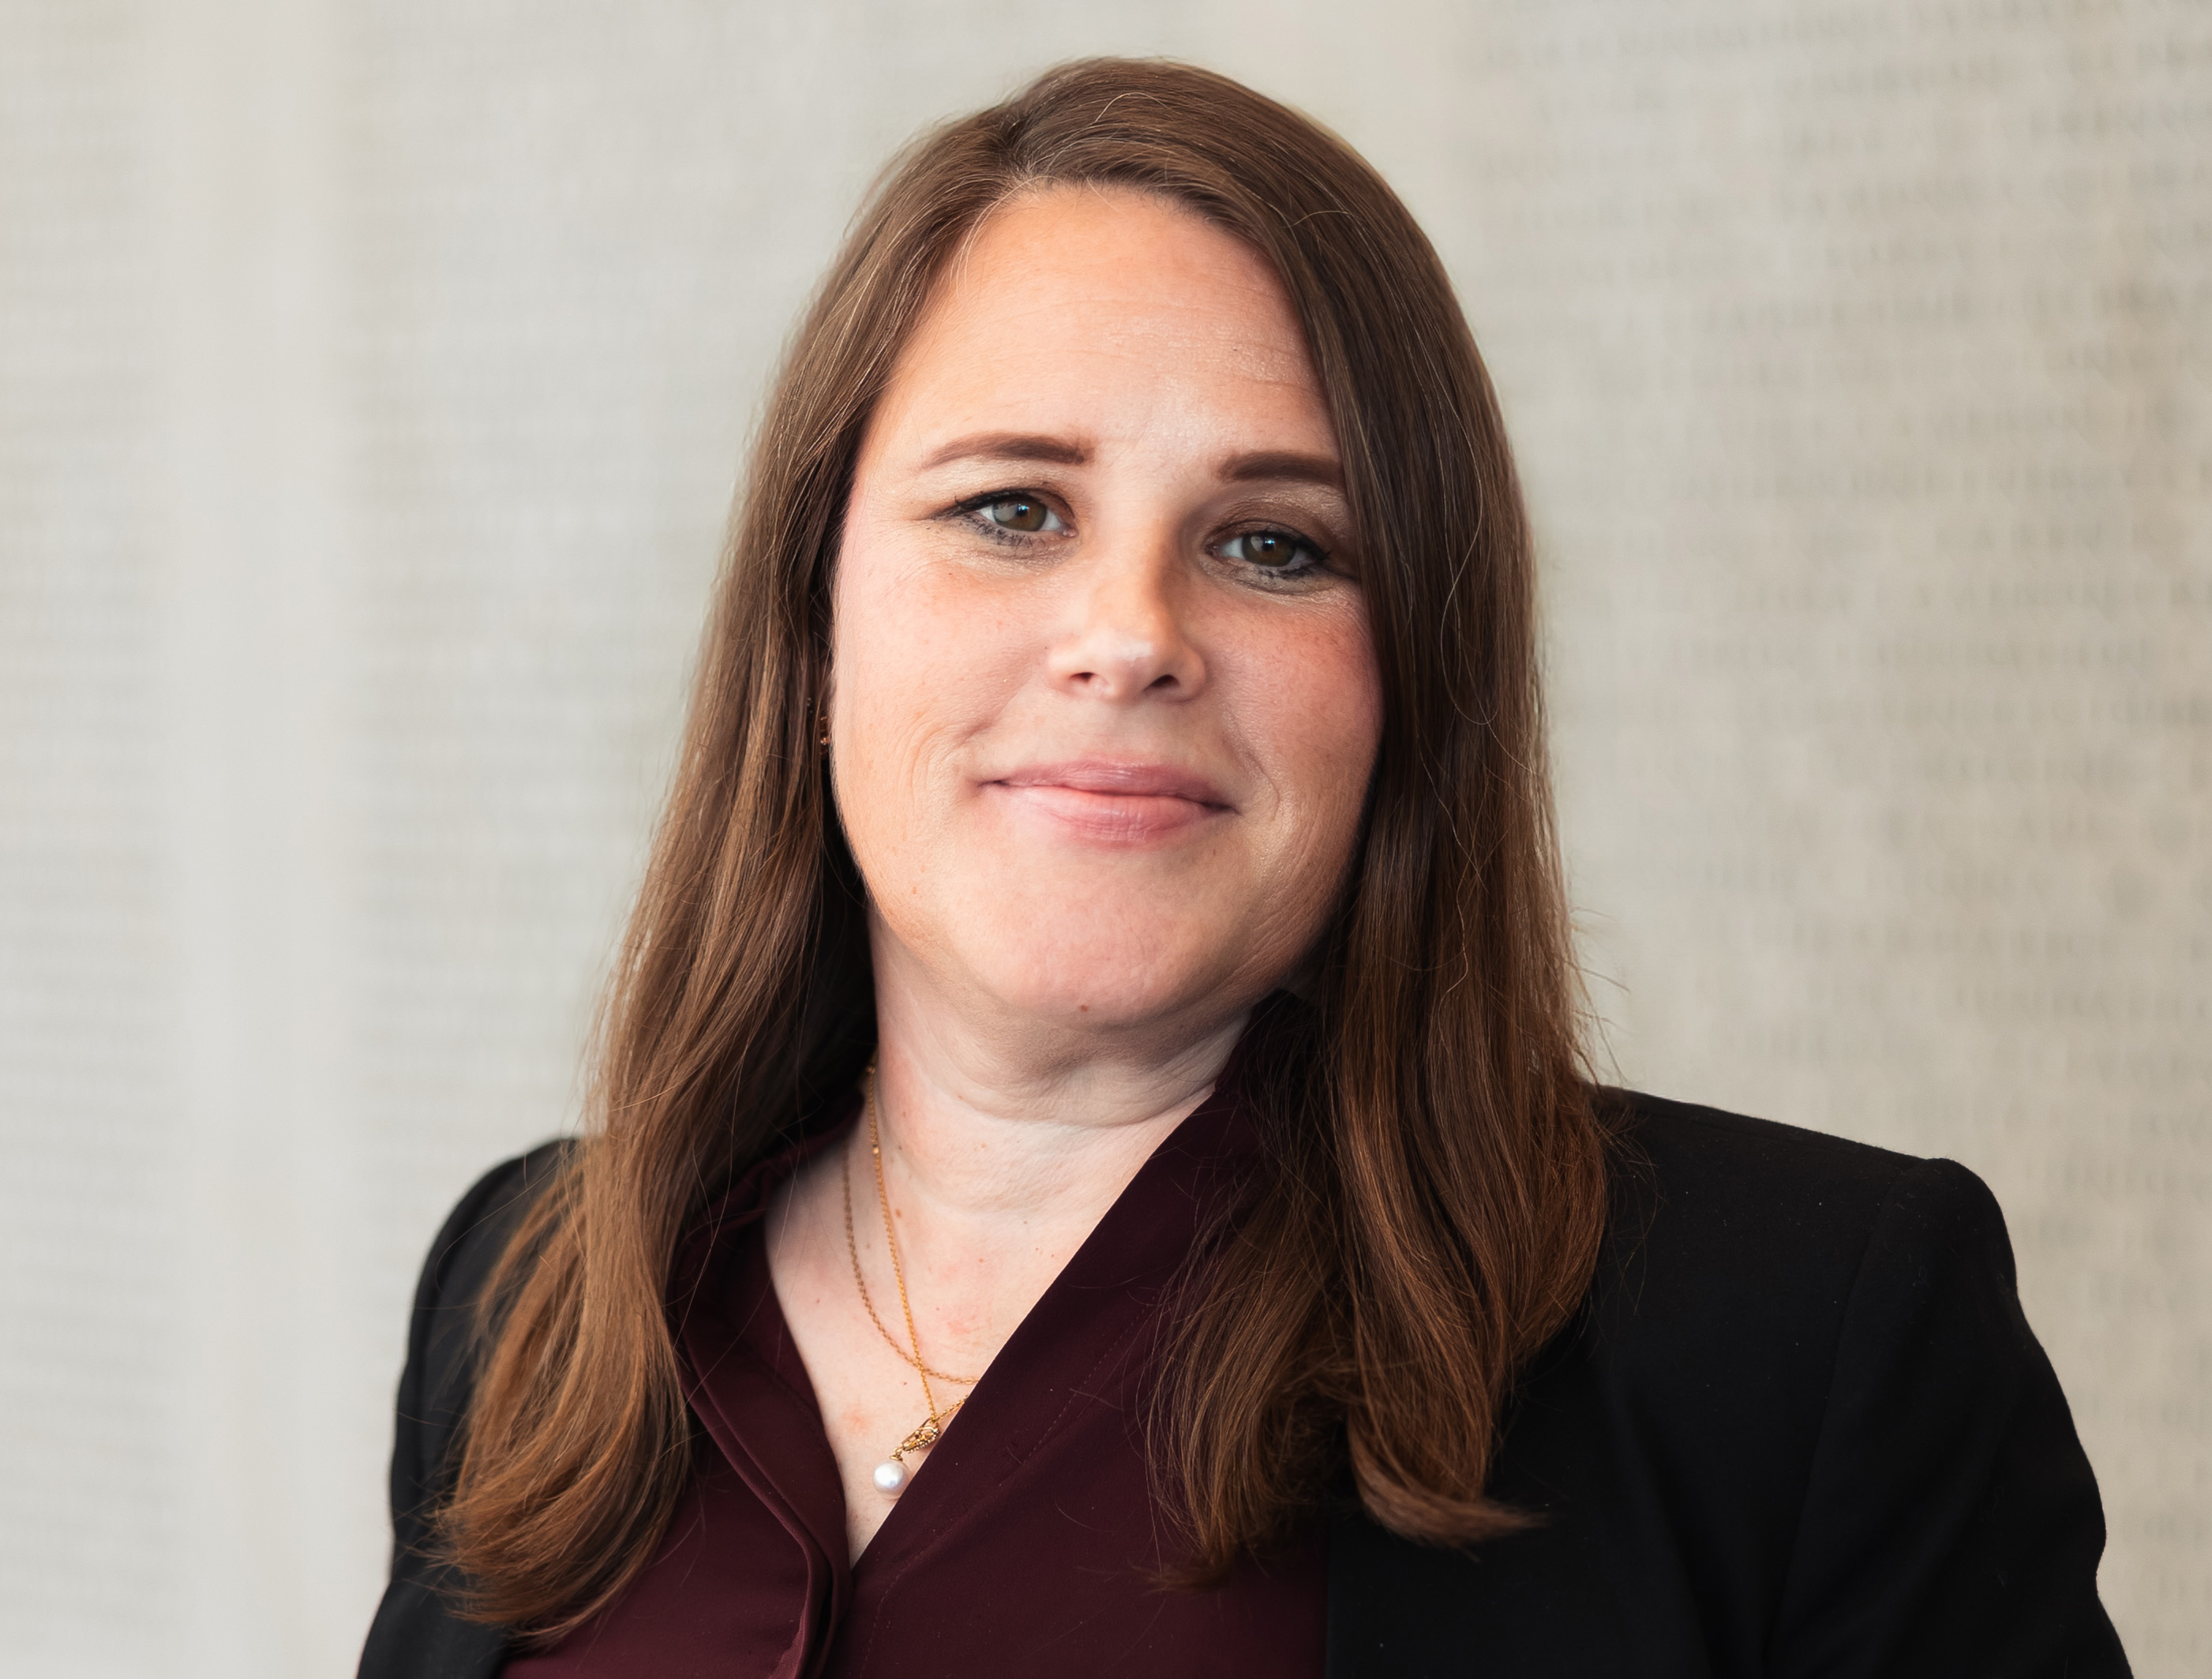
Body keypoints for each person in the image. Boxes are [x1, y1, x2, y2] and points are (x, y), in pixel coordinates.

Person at [358, 58, 2128, 1679]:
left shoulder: (1799, 1345)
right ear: (815, 614)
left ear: (1410, 678)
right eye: (1012, 508)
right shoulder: (532, 1285)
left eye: (1274, 543)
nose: (1129, 636)